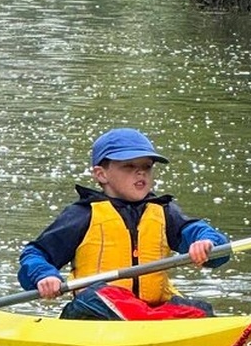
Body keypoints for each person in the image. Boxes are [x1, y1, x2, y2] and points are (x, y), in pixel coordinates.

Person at [17, 127, 229, 320]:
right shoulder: (82, 214)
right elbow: (35, 254)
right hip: (96, 310)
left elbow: (204, 237)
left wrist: (206, 242)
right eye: (129, 166)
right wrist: (44, 276)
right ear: (101, 174)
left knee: (201, 311)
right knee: (103, 298)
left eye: (147, 166)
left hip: (149, 310)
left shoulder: (163, 211)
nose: (141, 172)